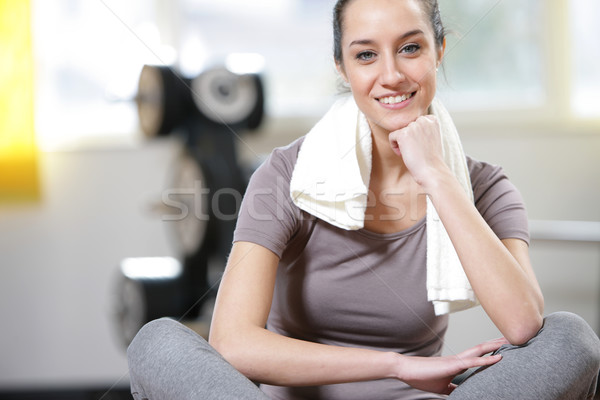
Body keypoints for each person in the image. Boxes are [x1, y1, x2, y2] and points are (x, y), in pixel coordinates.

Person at [127, 0, 600, 399]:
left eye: (410, 48)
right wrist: (396, 365)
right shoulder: (288, 176)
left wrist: (437, 176)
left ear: (439, 50)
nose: (391, 75)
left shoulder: (487, 187)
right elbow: (234, 343)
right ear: (343, 67)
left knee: (570, 339)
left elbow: (522, 325)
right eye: (366, 55)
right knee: (157, 341)